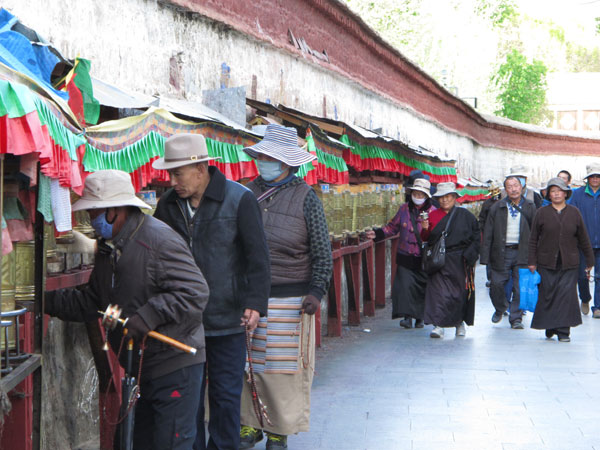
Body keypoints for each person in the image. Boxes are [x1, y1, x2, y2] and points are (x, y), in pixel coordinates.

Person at [45, 170, 210, 449]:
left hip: (175, 363)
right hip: (144, 366)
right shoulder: (111, 249)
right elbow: (93, 302)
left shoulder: (158, 240)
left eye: (94, 213)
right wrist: (45, 301)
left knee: (171, 443)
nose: (91, 221)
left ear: (115, 210)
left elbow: (195, 292)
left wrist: (148, 316)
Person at [152, 134, 271, 450]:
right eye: (170, 174)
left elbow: (258, 257)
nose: (172, 181)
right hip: (182, 322)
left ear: (201, 167)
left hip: (227, 318)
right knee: (187, 399)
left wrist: (255, 303)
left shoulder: (239, 199)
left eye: (178, 173)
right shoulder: (167, 206)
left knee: (225, 396)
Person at [238, 124, 333, 450]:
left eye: (270, 156)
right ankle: (249, 423)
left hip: (290, 299)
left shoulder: (307, 198)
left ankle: (279, 429)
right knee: (248, 365)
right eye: (262, 155)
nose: (264, 161)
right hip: (250, 296)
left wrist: (316, 292)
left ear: (288, 162)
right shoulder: (245, 193)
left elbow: (323, 252)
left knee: (281, 371)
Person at [528, 177, 594, 342]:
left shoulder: (574, 212)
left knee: (566, 296)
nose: (556, 194)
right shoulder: (541, 213)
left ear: (565, 193)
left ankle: (564, 331)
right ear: (549, 195)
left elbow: (584, 239)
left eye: (560, 191)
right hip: (546, 261)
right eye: (553, 191)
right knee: (548, 294)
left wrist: (590, 260)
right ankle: (551, 325)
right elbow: (533, 239)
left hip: (569, 262)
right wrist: (532, 261)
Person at [365, 178, 435, 328]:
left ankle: (420, 318)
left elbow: (435, 235)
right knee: (405, 287)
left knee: (420, 288)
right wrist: (377, 234)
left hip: (422, 258)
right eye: (415, 193)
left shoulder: (432, 212)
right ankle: (407, 317)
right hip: (405, 255)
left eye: (421, 194)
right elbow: (392, 227)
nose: (417, 196)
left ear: (426, 196)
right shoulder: (404, 209)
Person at [421, 182, 480, 338]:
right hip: (438, 260)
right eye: (441, 197)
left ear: (455, 198)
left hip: (459, 260)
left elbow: (476, 238)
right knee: (438, 293)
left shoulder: (466, 216)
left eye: (448, 197)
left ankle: (459, 322)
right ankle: (438, 325)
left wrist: (469, 255)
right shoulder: (432, 215)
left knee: (458, 293)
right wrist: (425, 228)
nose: (445, 200)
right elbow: (426, 239)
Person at [481, 176, 536, 329]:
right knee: (496, 284)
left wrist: (535, 256)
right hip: (501, 252)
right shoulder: (497, 207)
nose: (513, 189)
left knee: (519, 287)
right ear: (505, 190)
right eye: (509, 186)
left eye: (516, 185)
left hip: (522, 252)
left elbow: (536, 232)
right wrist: (485, 257)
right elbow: (488, 232)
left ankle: (516, 318)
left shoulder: (530, 206)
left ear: (521, 187)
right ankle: (500, 307)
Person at [568, 163, 600, 317]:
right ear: (587, 178)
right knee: (581, 275)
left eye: (598, 176)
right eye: (592, 176)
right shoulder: (577, 194)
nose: (595, 179)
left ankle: (598, 306)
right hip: (582, 243)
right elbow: (571, 215)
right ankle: (585, 298)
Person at [479, 181, 502, 287]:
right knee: (489, 255)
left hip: (502, 233)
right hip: (489, 233)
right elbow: (482, 218)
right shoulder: (487, 204)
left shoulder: (504, 202)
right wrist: (483, 230)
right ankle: (490, 277)